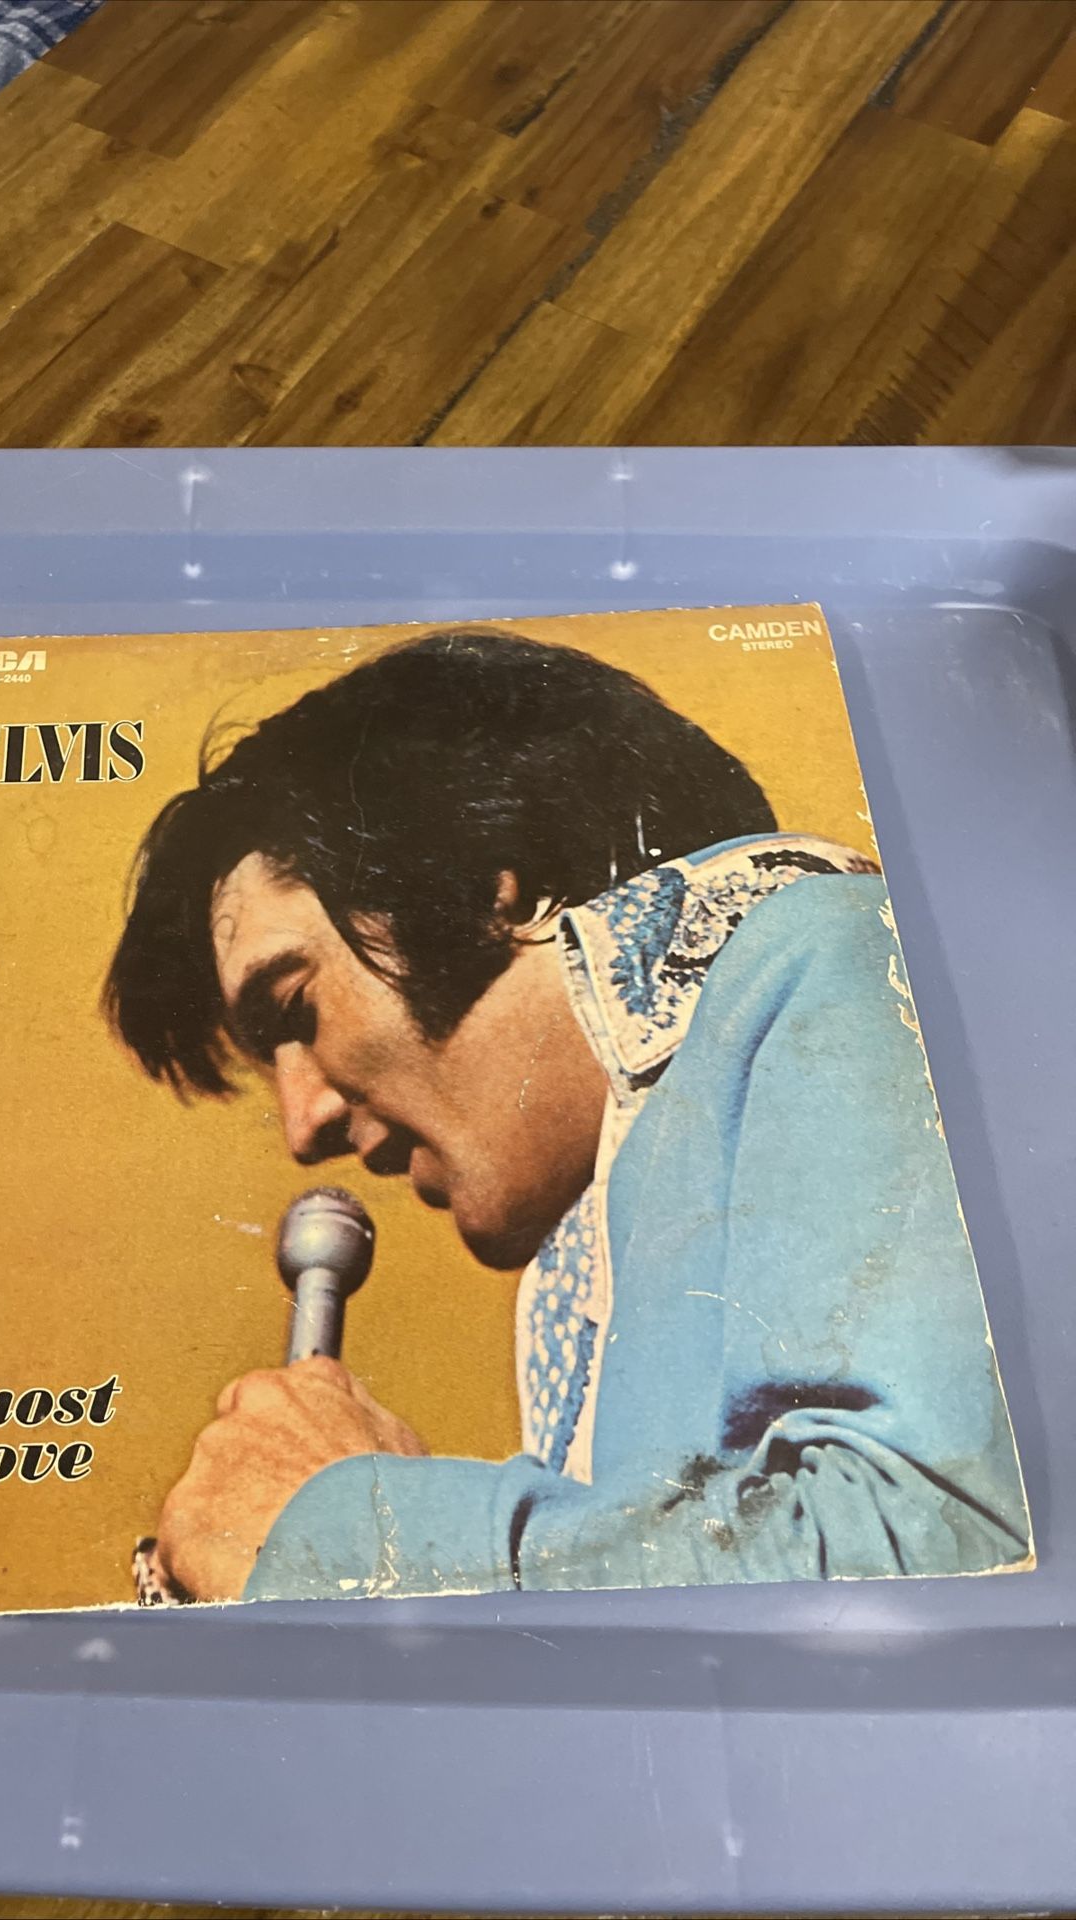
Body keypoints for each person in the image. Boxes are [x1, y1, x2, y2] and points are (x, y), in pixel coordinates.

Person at [108, 627, 1032, 1604]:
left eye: (295, 1007)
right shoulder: (605, 1237)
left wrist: (348, 1529)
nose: (303, 1126)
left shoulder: (840, 954)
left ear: (488, 881)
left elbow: (949, 1545)